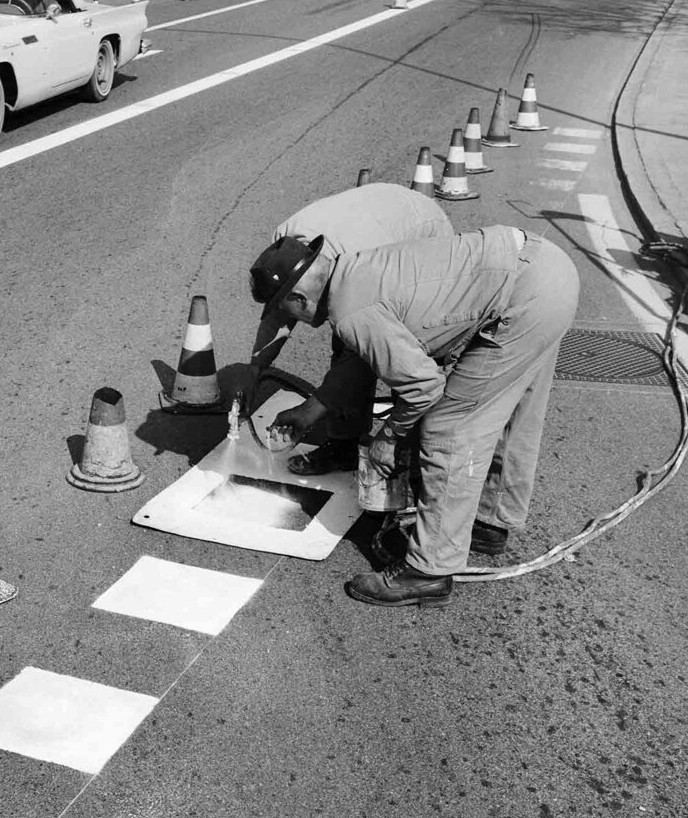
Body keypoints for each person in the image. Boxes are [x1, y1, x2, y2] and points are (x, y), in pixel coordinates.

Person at [255, 225, 579, 608]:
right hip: (549, 274)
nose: (285, 318)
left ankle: (428, 571)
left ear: (296, 297)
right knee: (506, 408)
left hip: (524, 297)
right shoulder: (353, 273)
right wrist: (311, 411)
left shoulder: (350, 312)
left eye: (281, 309)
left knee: (450, 427)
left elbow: (424, 386)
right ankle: (490, 521)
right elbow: (367, 359)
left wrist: (389, 438)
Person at [241, 183, 452, 477]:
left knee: (397, 348)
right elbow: (279, 313)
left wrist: (310, 411)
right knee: (352, 337)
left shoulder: (355, 278)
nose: (296, 322)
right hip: (384, 210)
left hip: (421, 230)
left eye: (294, 309)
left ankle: (410, 455)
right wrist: (255, 370)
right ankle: (345, 447)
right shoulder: (287, 250)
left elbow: (360, 350)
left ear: (300, 297)